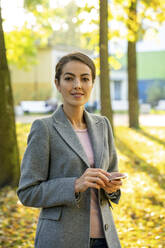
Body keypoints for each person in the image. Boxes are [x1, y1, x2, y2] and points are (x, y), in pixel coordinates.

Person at [17, 52, 123, 248]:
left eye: (85, 79)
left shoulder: (103, 125)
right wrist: (75, 184)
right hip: (61, 239)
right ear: (57, 84)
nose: (77, 85)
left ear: (92, 83)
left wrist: (112, 188)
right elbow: (27, 192)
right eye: (69, 78)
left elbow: (113, 179)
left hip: (106, 239)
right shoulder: (44, 128)